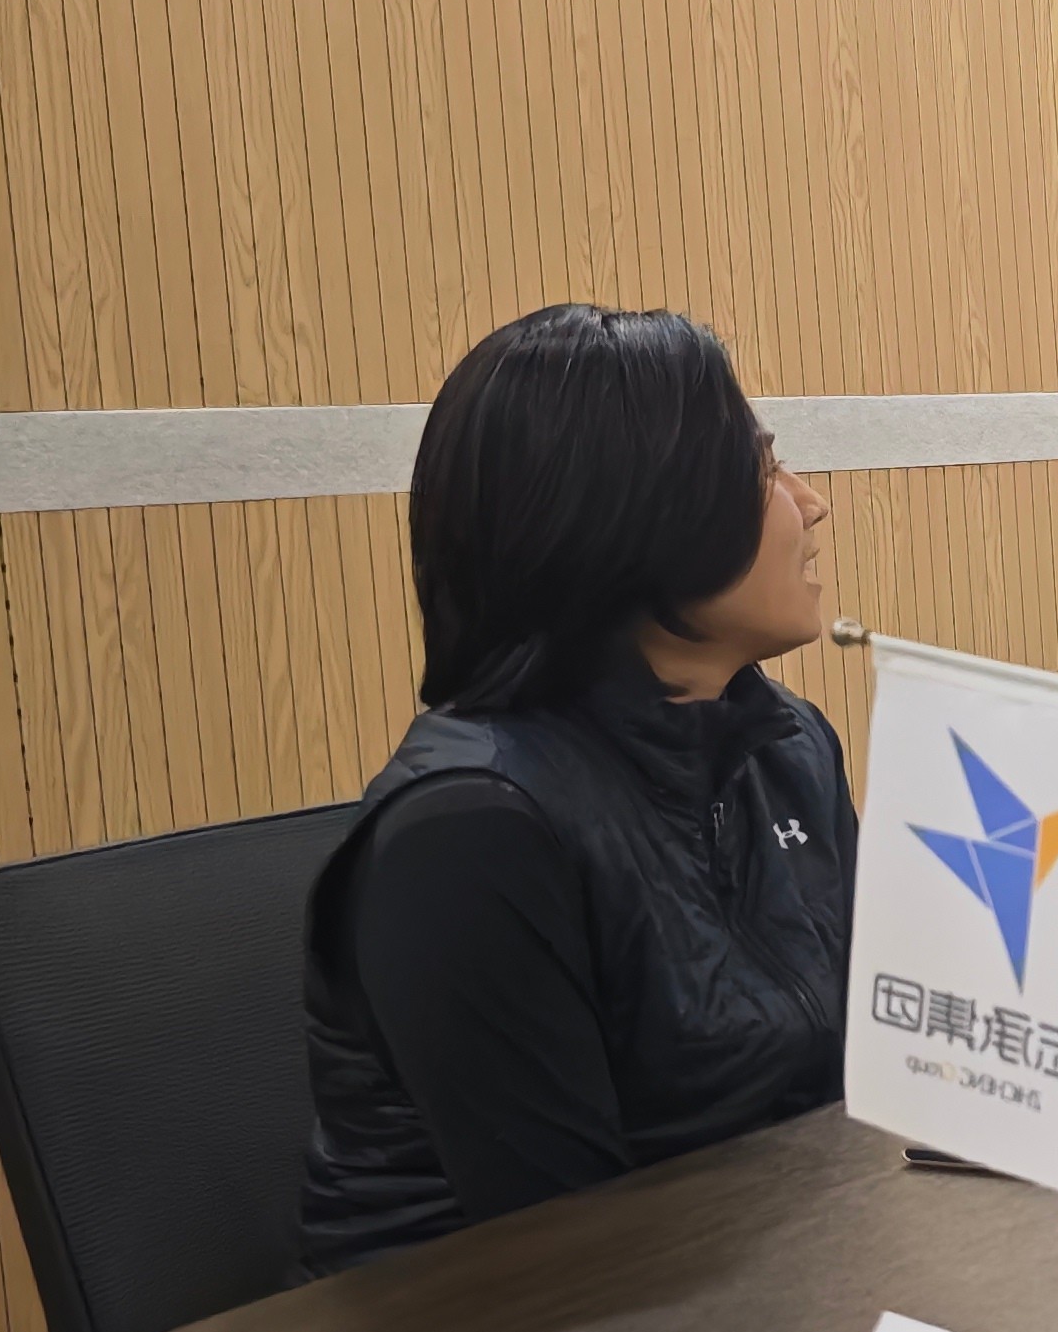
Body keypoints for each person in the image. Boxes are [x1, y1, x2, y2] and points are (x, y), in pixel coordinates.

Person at [300, 306, 852, 1272]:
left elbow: (870, 1079)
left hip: (762, 1277)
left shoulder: (789, 748)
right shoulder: (470, 831)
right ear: (638, 519)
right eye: (762, 469)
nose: (810, 505)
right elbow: (573, 1252)